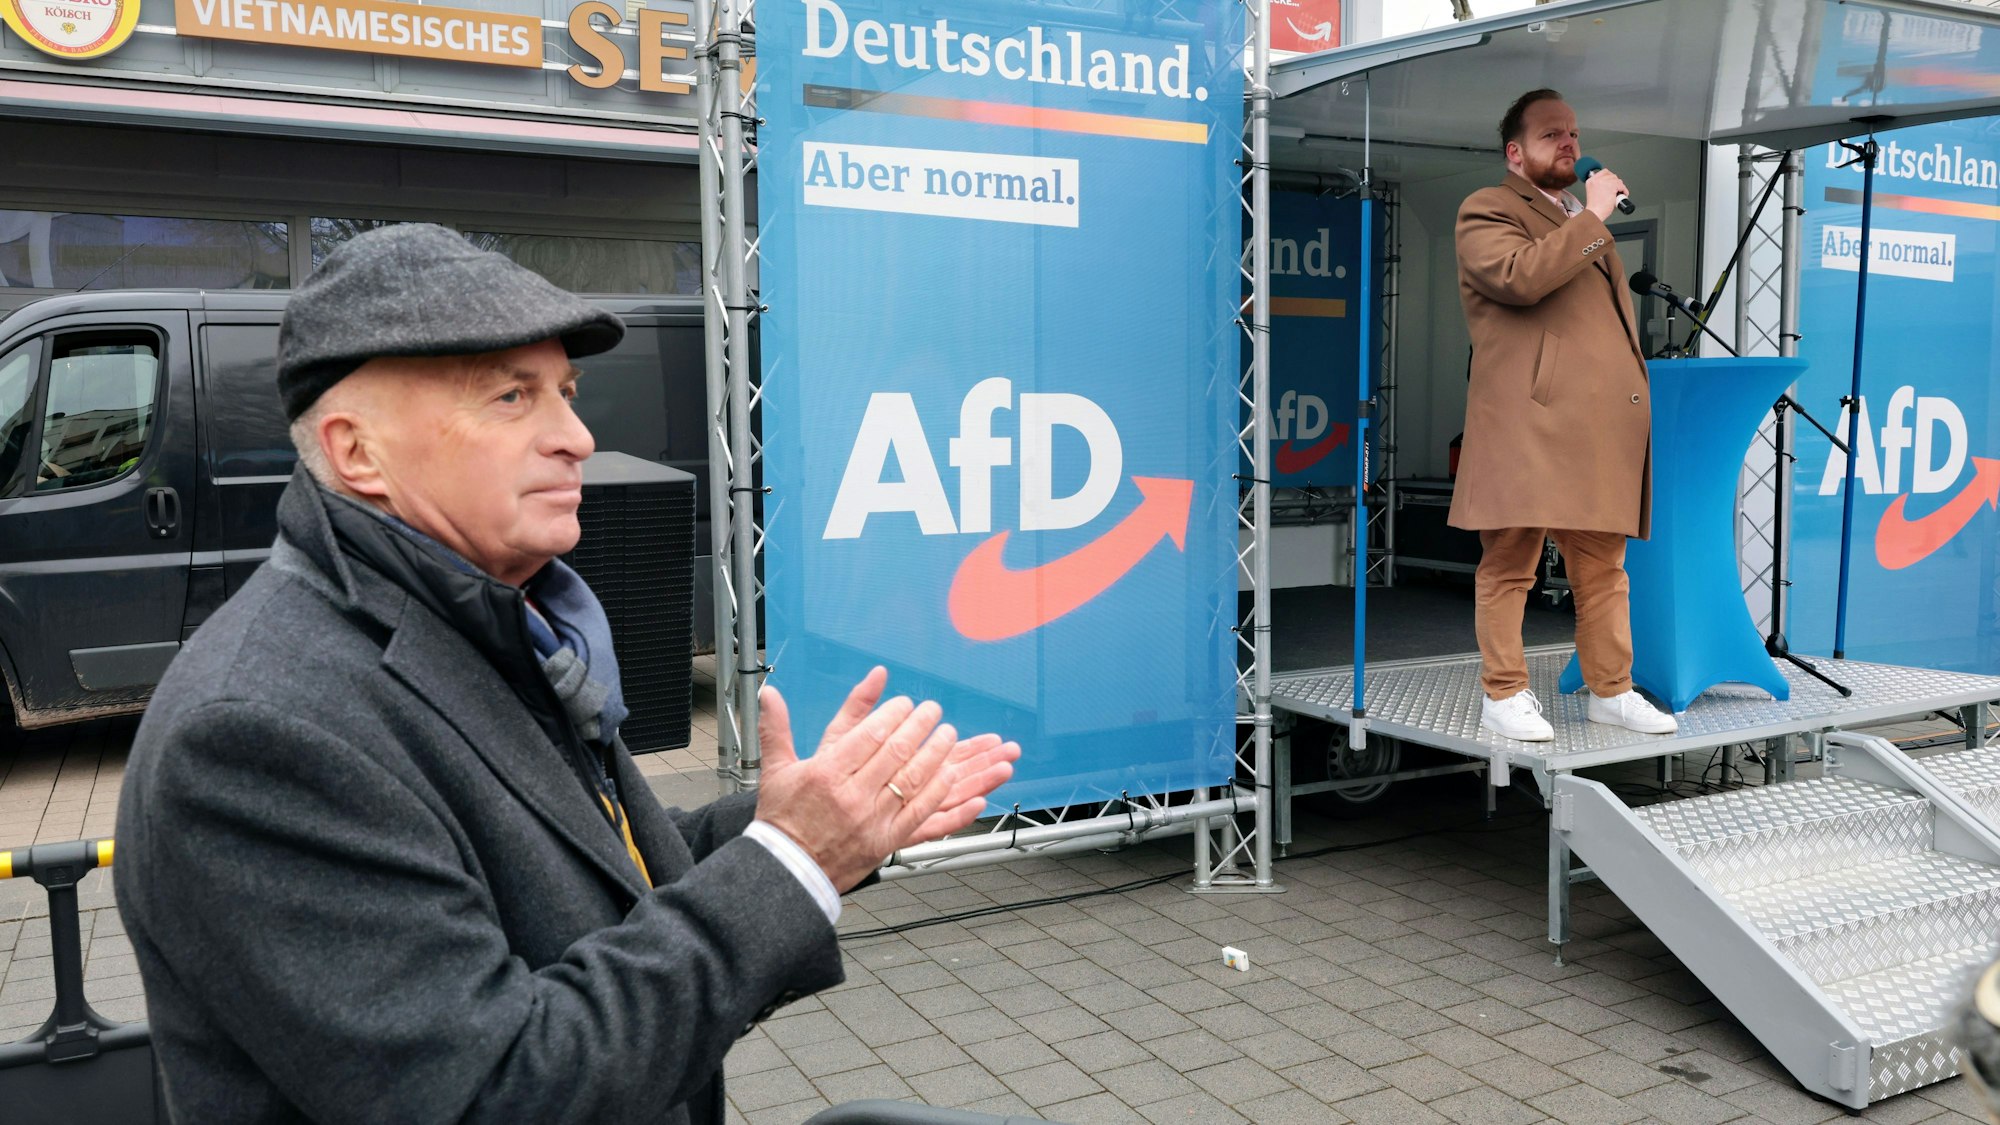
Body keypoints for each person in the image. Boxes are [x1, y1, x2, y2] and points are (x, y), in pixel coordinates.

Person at [113, 224, 1019, 1125]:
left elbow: (588, 871)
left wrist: (815, 820)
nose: (577, 436)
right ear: (358, 452)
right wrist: (793, 861)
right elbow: (495, 1091)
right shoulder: (255, 732)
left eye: (568, 393)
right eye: (513, 397)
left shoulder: (491, 622)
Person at [1448, 89, 1677, 742]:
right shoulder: (1486, 209)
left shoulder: (1581, 214)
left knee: (1603, 568)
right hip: (1527, 421)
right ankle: (1504, 692)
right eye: (1552, 135)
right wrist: (1596, 218)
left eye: (1573, 132)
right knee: (1511, 563)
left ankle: (1612, 689)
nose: (1570, 143)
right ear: (1515, 153)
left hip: (1591, 428)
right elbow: (1521, 278)